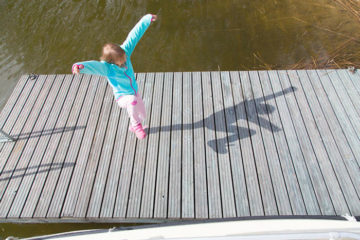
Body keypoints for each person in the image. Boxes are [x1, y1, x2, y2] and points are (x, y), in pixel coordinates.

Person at [72, 14, 157, 139]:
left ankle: (135, 125)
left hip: (134, 89)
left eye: (125, 58)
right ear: (112, 62)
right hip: (122, 96)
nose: (125, 61)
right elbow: (93, 65)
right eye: (121, 61)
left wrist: (146, 19)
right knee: (132, 100)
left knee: (142, 114)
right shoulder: (107, 68)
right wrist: (80, 66)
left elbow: (134, 35)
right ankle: (136, 125)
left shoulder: (125, 51)